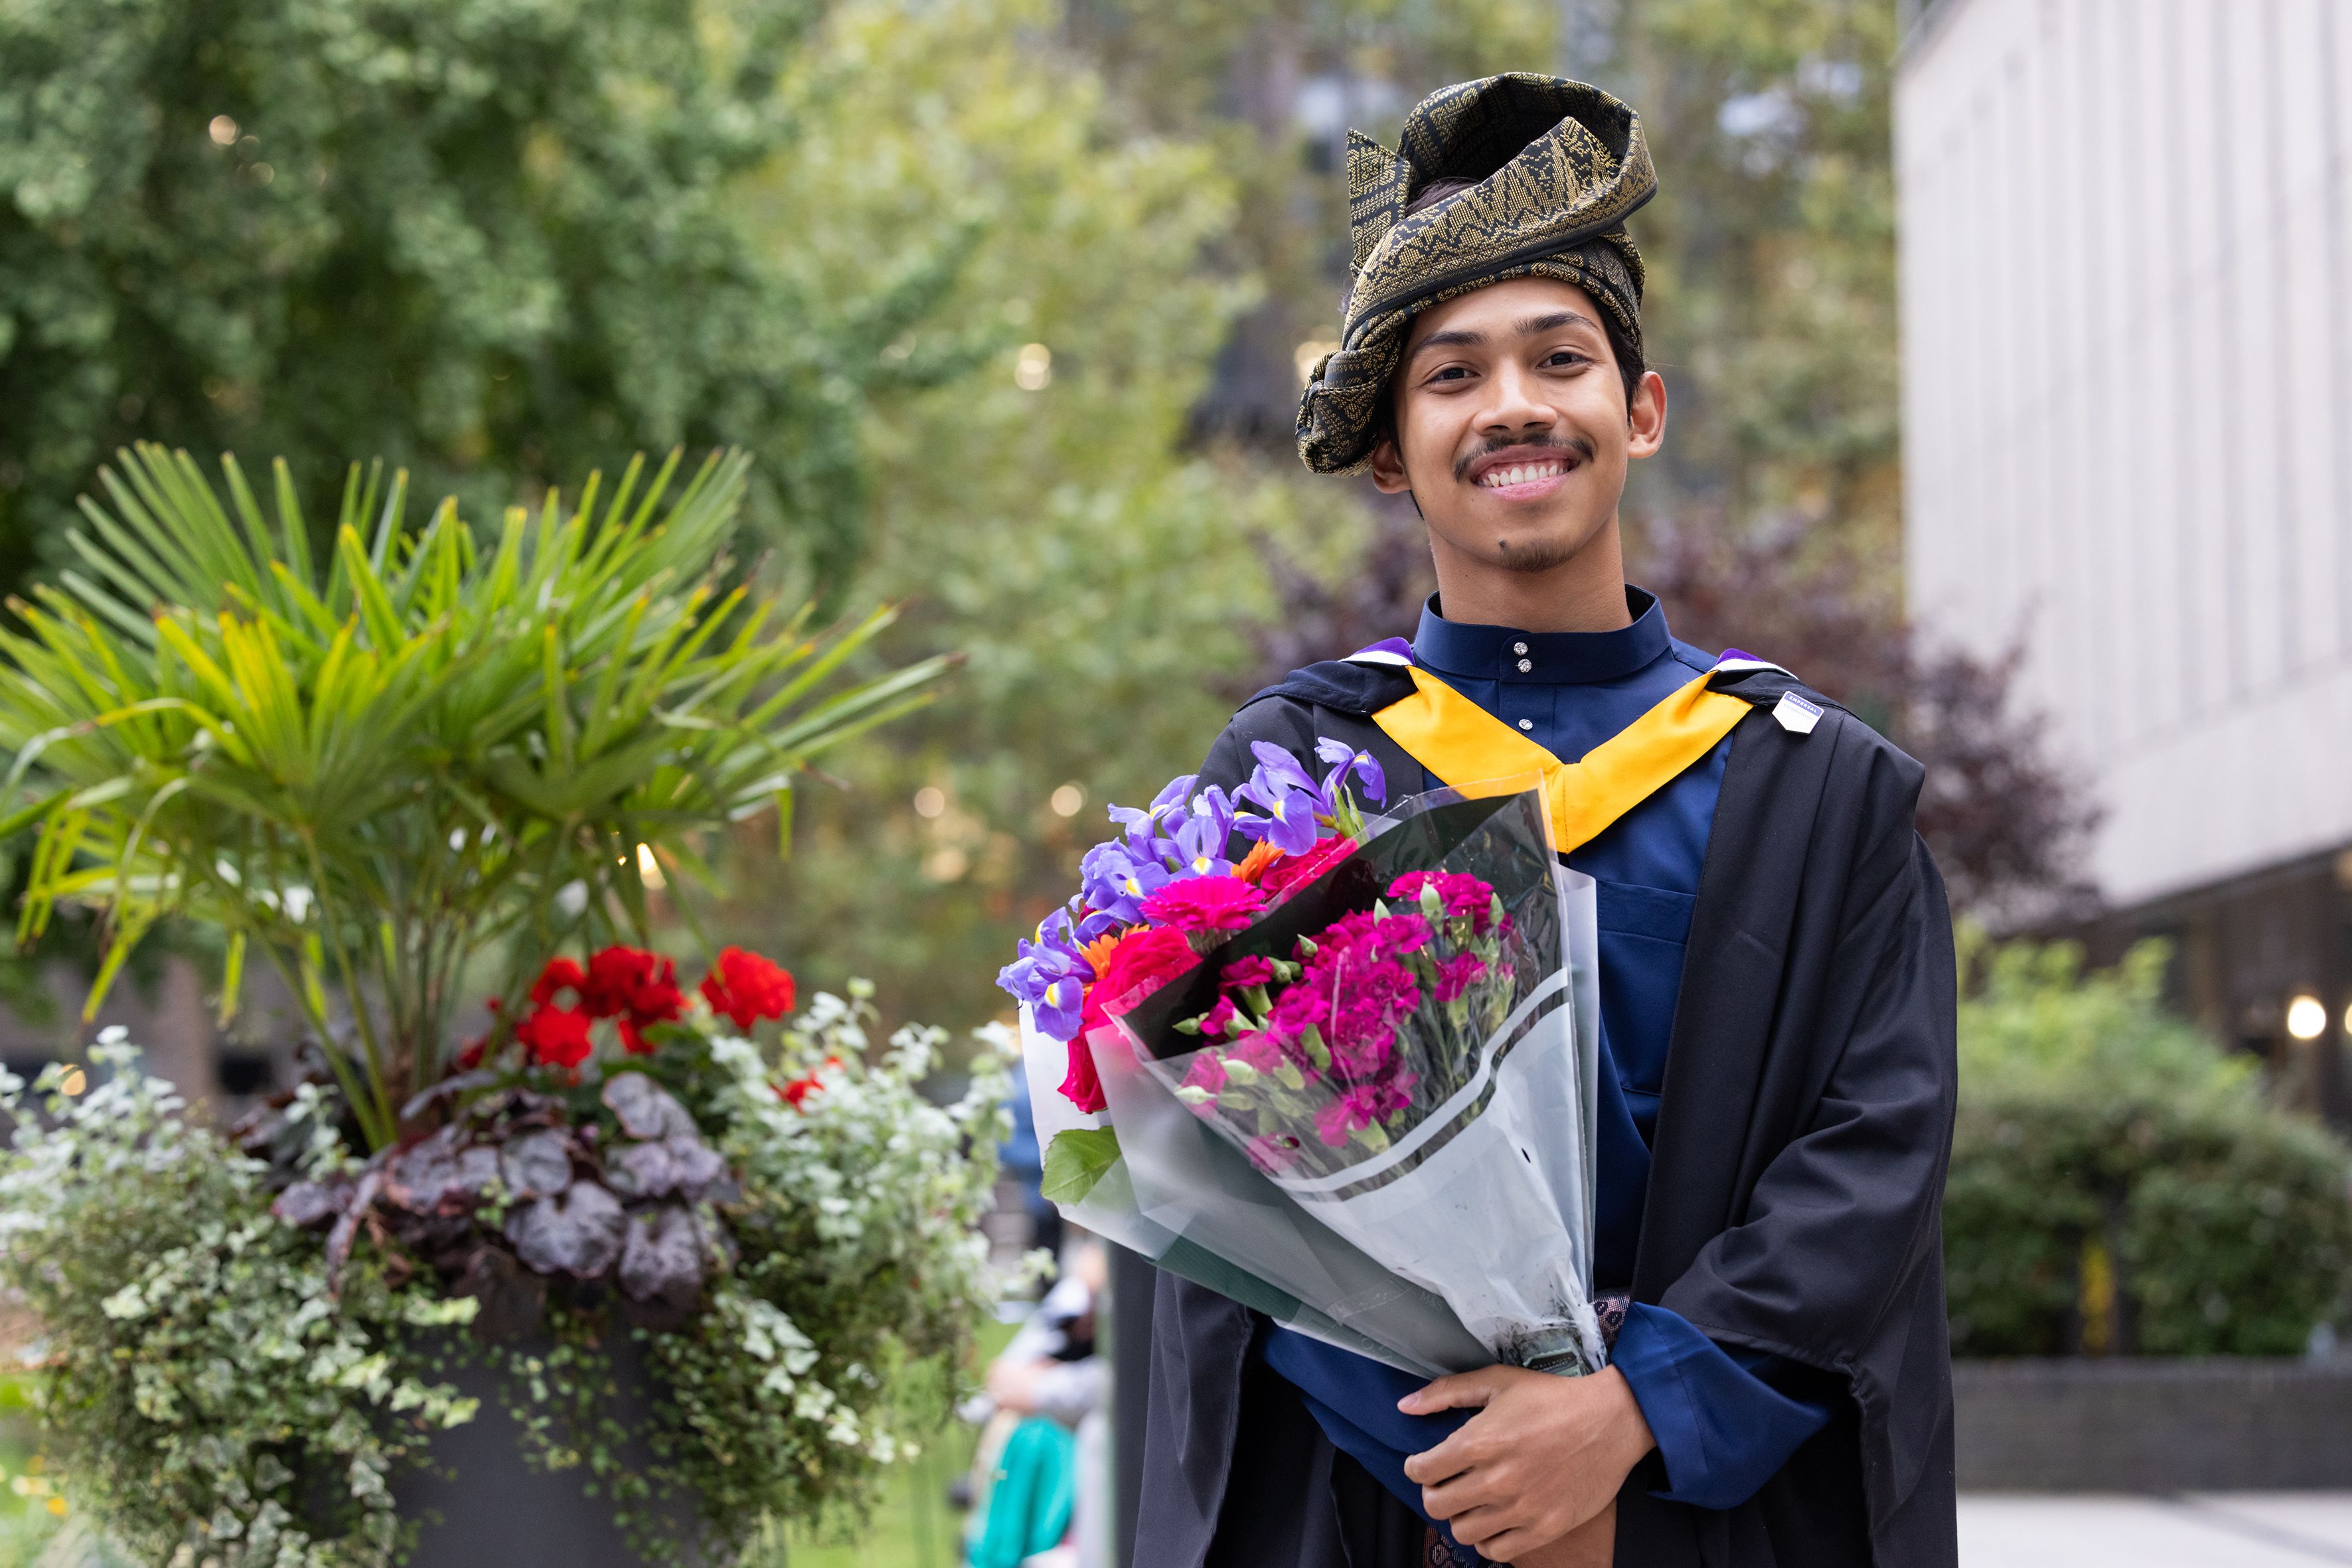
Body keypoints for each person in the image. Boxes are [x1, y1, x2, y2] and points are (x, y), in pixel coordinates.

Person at [1136, 74, 1957, 1568]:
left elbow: (1870, 1163)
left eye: (1558, 358)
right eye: (1448, 375)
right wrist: (1490, 1470)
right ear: (1389, 448)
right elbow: (1233, 1199)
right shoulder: (1300, 777)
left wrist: (1629, 1415)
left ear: (1637, 411)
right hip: (1380, 1512)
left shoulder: (1815, 790)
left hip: (1716, 1508)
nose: (1510, 404)